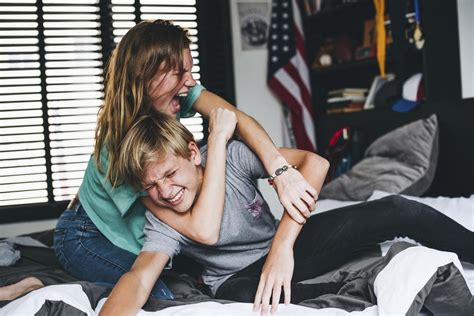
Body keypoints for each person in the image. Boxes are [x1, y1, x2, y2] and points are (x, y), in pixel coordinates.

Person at [99, 113, 474, 315]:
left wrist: (280, 249)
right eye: (150, 185)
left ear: (193, 154)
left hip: (287, 246)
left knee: (397, 208)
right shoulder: (162, 213)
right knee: (248, 297)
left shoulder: (231, 156)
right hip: (238, 278)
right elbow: (141, 275)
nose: (163, 191)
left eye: (169, 174)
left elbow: (315, 164)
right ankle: (360, 280)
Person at [53, 19, 316, 300]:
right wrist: (216, 142)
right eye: (181, 73)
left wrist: (280, 170)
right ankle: (41, 286)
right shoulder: (118, 150)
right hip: (86, 234)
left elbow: (237, 120)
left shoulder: (174, 94)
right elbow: (202, 231)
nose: (190, 81)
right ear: (147, 76)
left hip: (131, 227)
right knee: (164, 298)